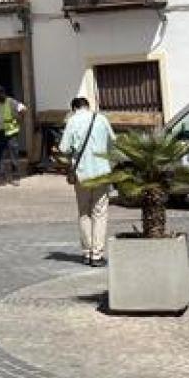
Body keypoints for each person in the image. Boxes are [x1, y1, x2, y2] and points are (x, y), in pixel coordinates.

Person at [57, 95, 115, 266]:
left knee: (84, 213)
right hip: (102, 173)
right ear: (88, 106)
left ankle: (86, 252)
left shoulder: (72, 121)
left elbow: (64, 148)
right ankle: (97, 254)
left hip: (82, 174)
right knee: (100, 213)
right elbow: (113, 142)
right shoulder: (102, 119)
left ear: (74, 108)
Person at [0, 87, 28, 184]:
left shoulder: (11, 102)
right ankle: (1, 177)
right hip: (0, 132)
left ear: (3, 94)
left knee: (13, 154)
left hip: (11, 132)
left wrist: (19, 118)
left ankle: (15, 177)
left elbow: (23, 108)